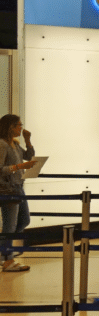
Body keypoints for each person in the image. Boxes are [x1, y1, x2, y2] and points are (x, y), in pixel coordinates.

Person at [0, 114, 36, 272]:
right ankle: (8, 260)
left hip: (18, 186)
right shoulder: (2, 145)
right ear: (10, 127)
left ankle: (5, 254)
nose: (21, 128)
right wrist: (19, 167)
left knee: (24, 220)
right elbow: (1, 169)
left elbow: (27, 156)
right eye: (18, 125)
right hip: (7, 189)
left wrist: (28, 141)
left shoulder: (14, 144)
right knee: (10, 225)